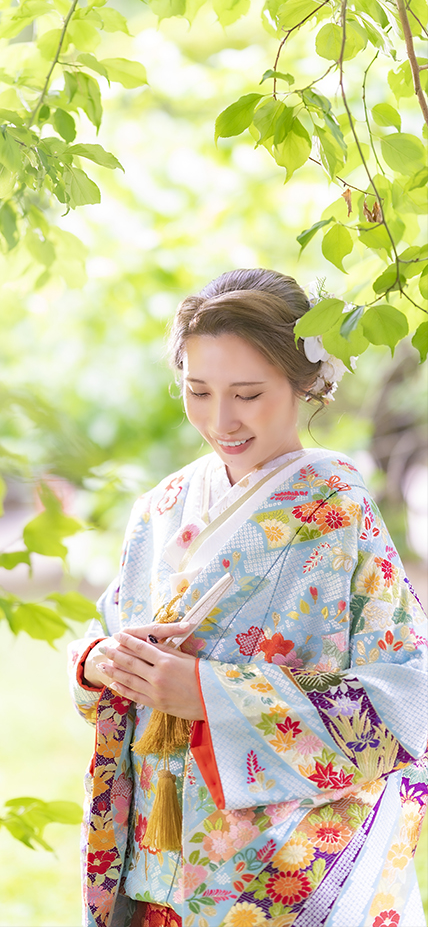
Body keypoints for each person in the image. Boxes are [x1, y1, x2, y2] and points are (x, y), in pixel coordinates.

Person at [68, 269, 427, 927]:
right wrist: (100, 661)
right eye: (197, 391)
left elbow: (408, 699)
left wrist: (210, 695)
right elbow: (112, 628)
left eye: (248, 394)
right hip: (160, 846)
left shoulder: (337, 509)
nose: (219, 420)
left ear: (306, 382)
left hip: (279, 868)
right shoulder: (163, 507)